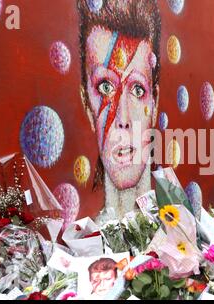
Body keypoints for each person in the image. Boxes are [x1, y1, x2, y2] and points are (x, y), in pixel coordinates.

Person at [77, 0, 161, 222]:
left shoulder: (171, 219)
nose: (122, 119)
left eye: (137, 89)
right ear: (87, 105)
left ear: (155, 104)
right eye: (105, 87)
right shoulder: (87, 237)